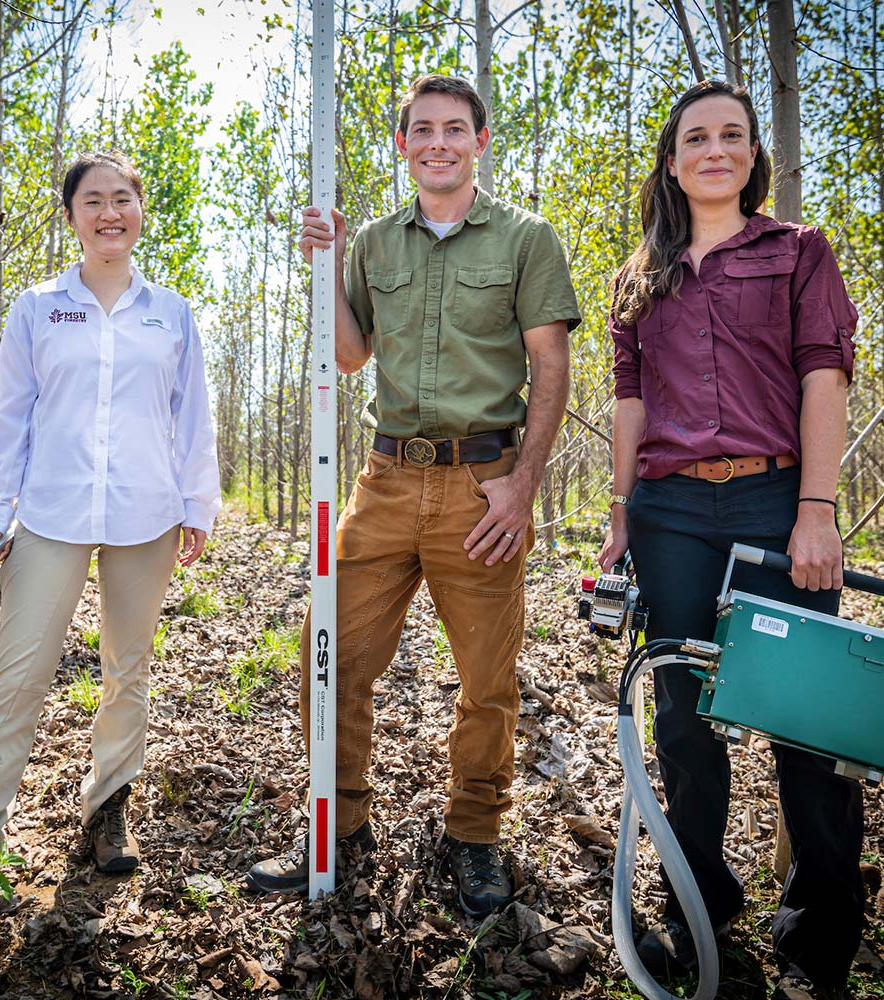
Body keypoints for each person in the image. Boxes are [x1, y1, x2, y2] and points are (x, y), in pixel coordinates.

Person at [245, 74, 580, 919]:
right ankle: (340, 822)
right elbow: (352, 356)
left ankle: (472, 837)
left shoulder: (526, 238)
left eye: (454, 129)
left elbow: (551, 365)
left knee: (486, 681)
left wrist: (521, 487)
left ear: (480, 141)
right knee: (334, 658)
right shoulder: (375, 246)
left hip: (482, 485)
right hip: (385, 480)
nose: (438, 141)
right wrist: (325, 267)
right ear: (403, 145)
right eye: (422, 129)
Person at [0, 151, 221, 932]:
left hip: (147, 514)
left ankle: (108, 808)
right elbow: (11, 413)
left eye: (123, 200)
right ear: (71, 216)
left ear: (141, 210)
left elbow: (190, 416)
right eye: (93, 201)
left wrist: (197, 502)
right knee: (20, 672)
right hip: (48, 513)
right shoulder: (37, 308)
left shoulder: (169, 312)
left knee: (127, 668)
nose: (110, 213)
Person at [600, 80, 860, 1000]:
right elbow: (631, 402)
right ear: (672, 161)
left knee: (807, 726)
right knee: (684, 722)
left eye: (733, 136)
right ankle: (700, 917)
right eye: (696, 138)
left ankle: (817, 946)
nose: (716, 149)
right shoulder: (639, 275)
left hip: (774, 502)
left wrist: (817, 508)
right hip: (670, 515)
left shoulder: (798, 253)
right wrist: (624, 509)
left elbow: (823, 377)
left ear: (753, 156)